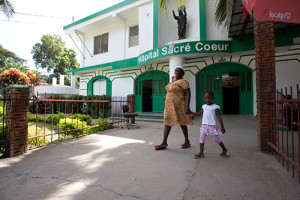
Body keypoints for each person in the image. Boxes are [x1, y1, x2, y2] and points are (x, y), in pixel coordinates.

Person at [154, 66, 192, 150]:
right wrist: (166, 95)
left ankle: (187, 141)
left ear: (183, 73)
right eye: (176, 71)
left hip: (179, 106)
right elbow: (170, 91)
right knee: (167, 122)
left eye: (179, 71)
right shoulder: (172, 82)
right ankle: (164, 143)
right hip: (169, 106)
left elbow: (188, 93)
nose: (177, 72)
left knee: (182, 123)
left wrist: (187, 106)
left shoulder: (184, 81)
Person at [190, 92, 229, 159]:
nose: (207, 99)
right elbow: (199, 114)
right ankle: (201, 153)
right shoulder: (204, 106)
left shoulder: (215, 107)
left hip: (212, 127)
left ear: (212, 98)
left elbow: (219, 117)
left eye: (209, 98)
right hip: (204, 126)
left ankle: (224, 149)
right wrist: (190, 112)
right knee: (201, 138)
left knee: (216, 139)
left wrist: (222, 126)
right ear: (204, 99)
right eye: (206, 98)